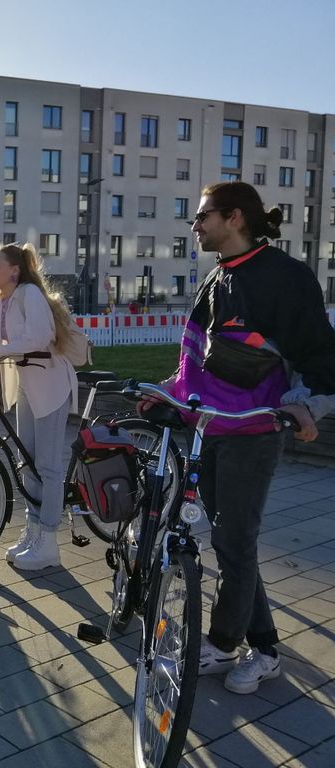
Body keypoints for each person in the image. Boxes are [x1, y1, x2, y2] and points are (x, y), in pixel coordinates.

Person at [146, 181, 335, 694]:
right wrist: (166, 393)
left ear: (233, 218)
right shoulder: (216, 278)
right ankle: (266, 648)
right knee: (233, 545)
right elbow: (193, 359)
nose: (195, 225)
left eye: (202, 216)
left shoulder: (286, 278)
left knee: (234, 540)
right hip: (209, 430)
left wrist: (305, 404)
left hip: (254, 430)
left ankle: (227, 644)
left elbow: (321, 355)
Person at [0, 243, 78, 570]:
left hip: (51, 386)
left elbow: (38, 338)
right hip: (27, 387)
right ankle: (32, 532)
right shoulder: (0, 301)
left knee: (48, 465)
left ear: (14, 269)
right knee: (25, 461)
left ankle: (49, 542)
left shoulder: (29, 294)